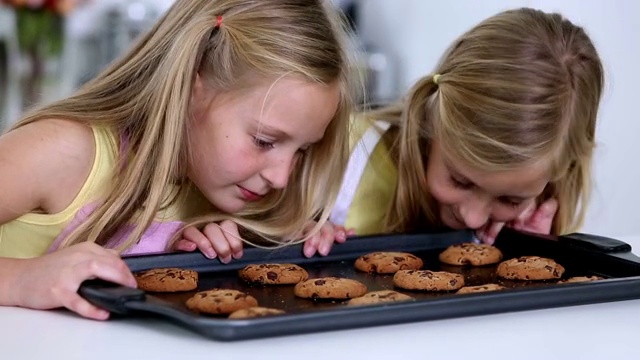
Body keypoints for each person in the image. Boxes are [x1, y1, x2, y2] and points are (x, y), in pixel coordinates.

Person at [0, 0, 358, 319]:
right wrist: (21, 279)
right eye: (264, 141)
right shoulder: (63, 151)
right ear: (190, 85)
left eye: (303, 150)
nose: (282, 178)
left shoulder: (218, 188)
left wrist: (284, 239)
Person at [330, 7, 604, 245]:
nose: (473, 217)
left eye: (510, 201)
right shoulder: (340, 153)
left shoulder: (541, 213)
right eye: (460, 181)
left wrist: (530, 252)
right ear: (433, 120)